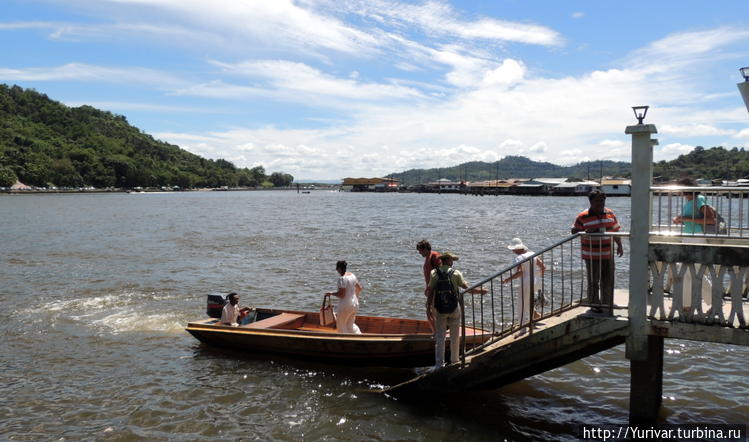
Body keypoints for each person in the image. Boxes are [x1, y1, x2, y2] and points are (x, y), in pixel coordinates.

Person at [426, 251, 486, 370]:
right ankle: (454, 360)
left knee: (440, 337)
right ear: (449, 260)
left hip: (439, 308)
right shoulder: (456, 273)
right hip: (454, 308)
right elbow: (468, 289)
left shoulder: (434, 273)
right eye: (452, 260)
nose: (453, 262)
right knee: (455, 336)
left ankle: (439, 365)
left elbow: (430, 291)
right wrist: (481, 291)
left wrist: (429, 308)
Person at [571, 190, 624, 315]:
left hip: (607, 253)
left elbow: (616, 230)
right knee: (593, 280)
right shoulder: (582, 216)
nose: (600, 203)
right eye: (597, 201)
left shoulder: (610, 213)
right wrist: (586, 231)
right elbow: (574, 231)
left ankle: (607, 302)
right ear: (591, 202)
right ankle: (594, 304)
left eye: (602, 200)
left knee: (608, 279)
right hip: (591, 255)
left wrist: (619, 245)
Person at [501, 238, 546, 328]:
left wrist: (507, 279)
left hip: (525, 282)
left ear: (517, 249)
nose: (513, 251)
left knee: (521, 304)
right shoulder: (533, 254)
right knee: (529, 300)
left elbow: (520, 272)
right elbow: (543, 267)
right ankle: (535, 316)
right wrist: (538, 276)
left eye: (513, 250)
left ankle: (523, 326)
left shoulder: (519, 258)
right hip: (536, 281)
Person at [325, 260, 362, 334]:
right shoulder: (352, 275)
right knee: (350, 325)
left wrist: (331, 293)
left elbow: (342, 294)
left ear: (339, 268)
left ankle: (345, 341)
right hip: (355, 304)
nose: (336, 270)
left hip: (345, 306)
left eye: (336, 268)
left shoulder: (341, 279)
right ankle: (359, 336)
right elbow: (359, 288)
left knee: (341, 326)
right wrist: (356, 298)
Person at [417, 239, 441, 329]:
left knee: (430, 311)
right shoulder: (428, 257)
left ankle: (436, 333)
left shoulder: (434, 256)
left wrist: (431, 289)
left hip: (435, 290)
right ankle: (436, 332)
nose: (419, 253)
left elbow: (439, 272)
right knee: (430, 311)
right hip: (430, 289)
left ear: (426, 249)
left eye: (420, 250)